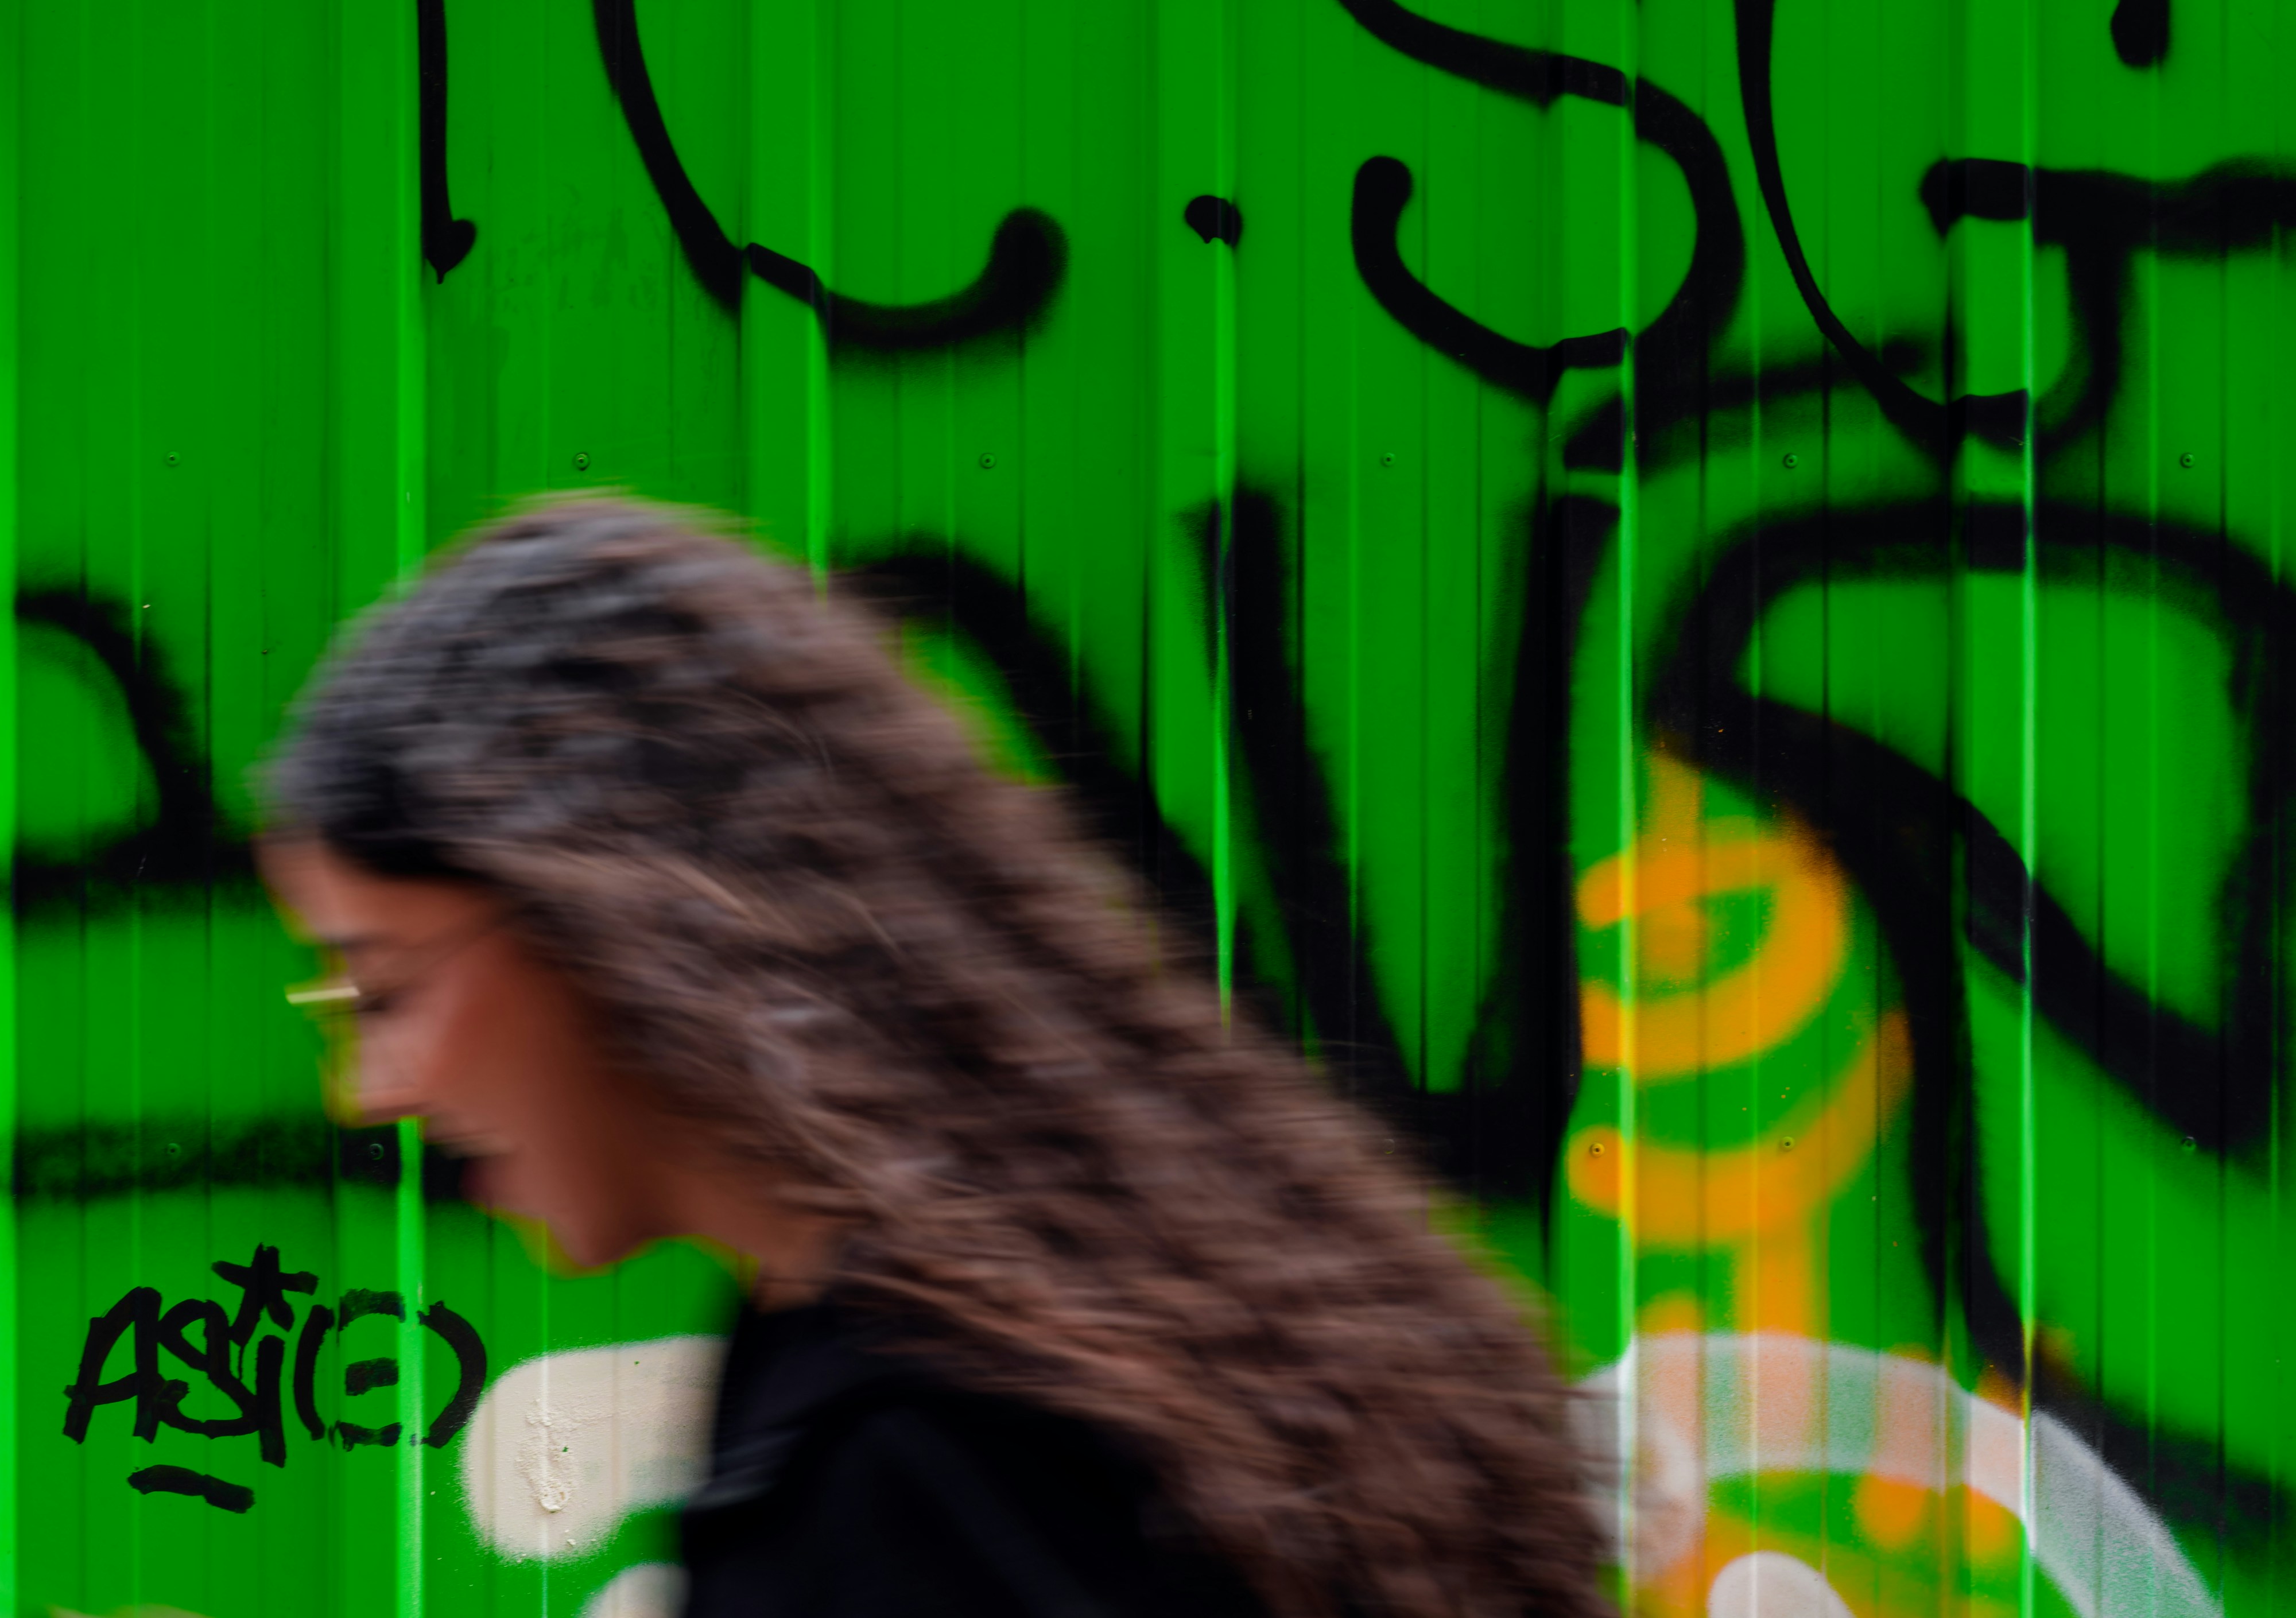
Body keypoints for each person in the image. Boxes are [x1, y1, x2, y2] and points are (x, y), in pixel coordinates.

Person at [260, 495, 1612, 1618]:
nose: (378, 1089)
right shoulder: (1076, 1298)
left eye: (385, 991)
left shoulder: (911, 1452)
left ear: (602, 911)